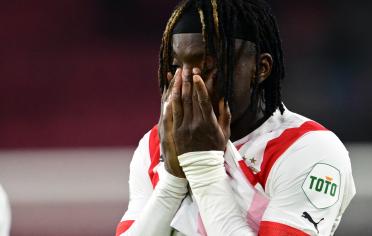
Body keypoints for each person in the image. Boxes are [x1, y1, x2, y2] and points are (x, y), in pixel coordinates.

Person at [116, 0, 355, 235]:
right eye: (178, 67)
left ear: (260, 69)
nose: (188, 82)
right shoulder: (155, 146)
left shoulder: (306, 150)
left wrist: (203, 168)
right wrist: (172, 181)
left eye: (206, 68)